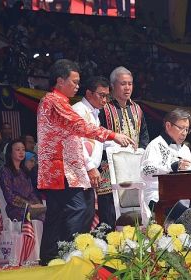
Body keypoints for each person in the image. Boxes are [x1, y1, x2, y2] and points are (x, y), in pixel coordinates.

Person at [37, 59, 134, 265]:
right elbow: (79, 126)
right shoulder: (54, 101)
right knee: (78, 209)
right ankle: (70, 254)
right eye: (74, 81)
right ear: (60, 81)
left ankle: (49, 257)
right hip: (60, 167)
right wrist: (111, 135)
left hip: (60, 167)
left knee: (58, 212)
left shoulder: (59, 102)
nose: (77, 86)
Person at [98, 66, 149, 228]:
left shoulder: (137, 108)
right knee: (110, 216)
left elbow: (144, 137)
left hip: (133, 170)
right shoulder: (103, 109)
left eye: (130, 84)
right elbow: (97, 137)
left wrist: (140, 154)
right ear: (113, 86)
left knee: (134, 213)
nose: (127, 88)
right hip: (109, 171)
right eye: (123, 84)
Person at [141, 108, 191, 222]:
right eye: (181, 128)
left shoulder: (184, 149)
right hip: (158, 196)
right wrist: (172, 167)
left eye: (187, 129)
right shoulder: (155, 145)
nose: (184, 133)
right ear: (168, 125)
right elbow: (146, 171)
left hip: (182, 195)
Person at [72, 76, 111, 226]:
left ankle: (79, 249)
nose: (105, 100)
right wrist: (90, 167)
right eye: (101, 95)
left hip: (87, 173)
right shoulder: (78, 110)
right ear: (89, 94)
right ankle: (70, 249)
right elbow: (76, 142)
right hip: (78, 171)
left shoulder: (93, 113)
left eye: (107, 96)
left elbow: (98, 142)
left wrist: (122, 145)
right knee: (79, 215)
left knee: (86, 215)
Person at [0, 139, 45, 221]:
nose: (21, 152)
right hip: (15, 209)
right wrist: (29, 205)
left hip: (30, 207)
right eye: (17, 150)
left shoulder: (24, 170)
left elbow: (31, 192)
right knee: (40, 216)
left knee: (51, 213)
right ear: (10, 153)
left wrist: (37, 204)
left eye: (23, 149)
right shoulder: (5, 171)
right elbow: (10, 196)